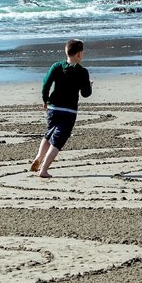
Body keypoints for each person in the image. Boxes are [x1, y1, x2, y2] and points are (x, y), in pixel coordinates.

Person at [29, 39, 92, 178]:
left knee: (49, 133)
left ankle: (39, 156)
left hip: (53, 107)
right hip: (69, 111)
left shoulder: (57, 66)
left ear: (66, 52)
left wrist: (45, 99)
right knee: (58, 141)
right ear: (79, 54)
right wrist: (88, 84)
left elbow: (46, 83)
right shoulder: (82, 72)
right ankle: (44, 170)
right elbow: (86, 94)